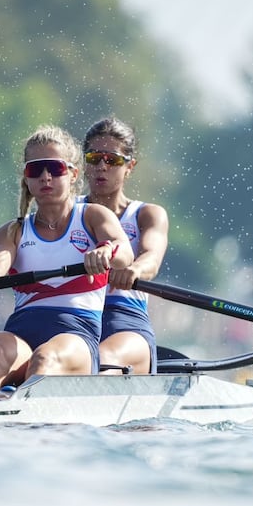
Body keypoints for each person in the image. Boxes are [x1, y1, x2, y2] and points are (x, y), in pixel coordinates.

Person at [0, 124, 134, 390]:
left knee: (45, 358)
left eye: (54, 169)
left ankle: (22, 405)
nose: (45, 177)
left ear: (73, 173)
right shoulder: (13, 231)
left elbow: (124, 251)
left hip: (76, 336)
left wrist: (105, 251)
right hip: (21, 334)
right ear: (26, 178)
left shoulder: (93, 217)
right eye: (36, 169)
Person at [80, 116, 169, 374]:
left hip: (124, 319)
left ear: (130, 166)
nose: (101, 167)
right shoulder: (67, 212)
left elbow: (152, 257)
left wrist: (135, 270)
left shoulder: (147, 214)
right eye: (94, 158)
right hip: (74, 315)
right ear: (84, 163)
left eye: (113, 160)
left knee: (100, 358)